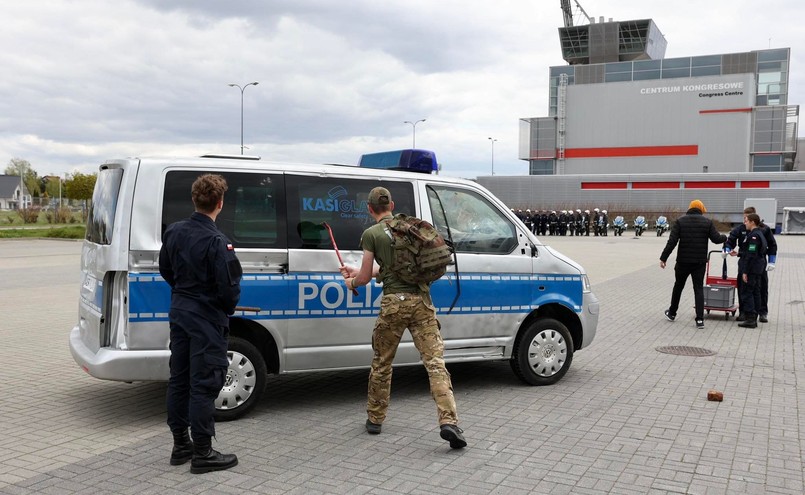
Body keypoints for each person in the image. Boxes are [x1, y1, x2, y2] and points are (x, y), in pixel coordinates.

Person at [339, 186, 467, 449]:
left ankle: (375, 419)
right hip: (422, 303)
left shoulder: (371, 234)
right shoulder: (408, 228)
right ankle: (449, 422)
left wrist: (351, 281)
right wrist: (362, 272)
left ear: (370, 209)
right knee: (435, 363)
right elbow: (392, 268)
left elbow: (364, 277)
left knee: (382, 362)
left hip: (393, 306)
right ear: (392, 205)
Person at [159, 174, 243, 474]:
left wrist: (185, 293)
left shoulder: (174, 231)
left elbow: (166, 269)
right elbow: (229, 289)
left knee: (179, 379)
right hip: (206, 318)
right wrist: (221, 307)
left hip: (180, 312)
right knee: (204, 383)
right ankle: (203, 452)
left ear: (195, 199)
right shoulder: (218, 241)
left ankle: (181, 444)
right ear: (220, 203)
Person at [659, 199, 727, 329]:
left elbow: (672, 242)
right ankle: (700, 320)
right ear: (701, 209)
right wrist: (726, 237)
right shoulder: (707, 222)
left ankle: (672, 313)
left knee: (678, 286)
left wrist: (664, 258)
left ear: (690, 208)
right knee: (698, 289)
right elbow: (716, 239)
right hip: (699, 262)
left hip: (683, 261)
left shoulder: (680, 221)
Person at [725, 206, 778, 323]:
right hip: (745, 261)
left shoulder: (764, 229)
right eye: (744, 218)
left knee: (761, 288)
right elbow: (731, 240)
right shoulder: (740, 229)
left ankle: (762, 312)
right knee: (743, 288)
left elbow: (772, 245)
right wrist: (726, 249)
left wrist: (772, 261)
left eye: (747, 219)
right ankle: (744, 312)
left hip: (757, 262)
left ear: (753, 219)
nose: (745, 221)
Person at [735, 213, 768, 328]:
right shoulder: (759, 233)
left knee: (747, 292)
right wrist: (739, 253)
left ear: (752, 222)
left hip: (752, 269)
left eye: (746, 221)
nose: (745, 223)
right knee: (756, 292)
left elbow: (751, 255)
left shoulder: (754, 236)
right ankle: (754, 317)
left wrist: (745, 271)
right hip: (758, 268)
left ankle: (750, 319)